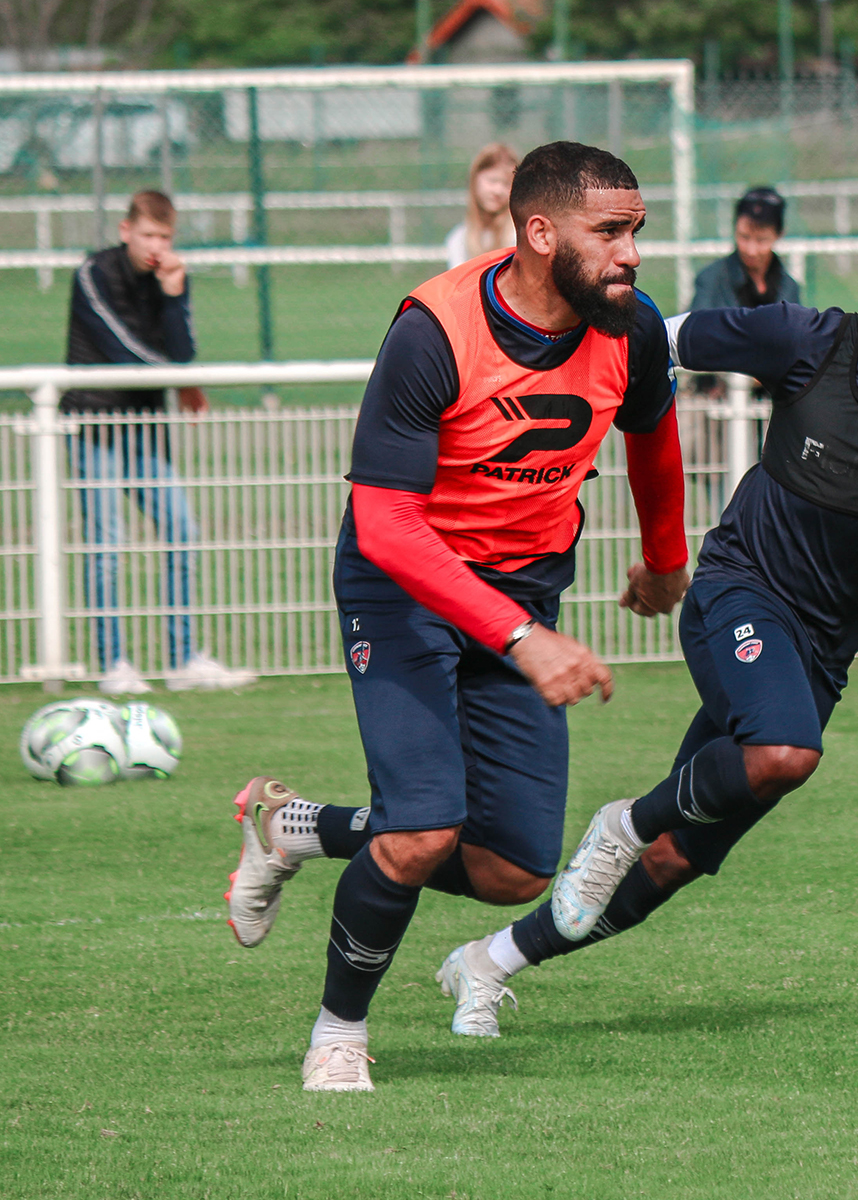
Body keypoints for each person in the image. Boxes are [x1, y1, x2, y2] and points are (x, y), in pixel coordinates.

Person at [422, 209, 858, 1035]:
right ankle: (622, 820)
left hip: (821, 658)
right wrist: (560, 356)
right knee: (784, 752)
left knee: (677, 861)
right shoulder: (809, 341)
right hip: (740, 592)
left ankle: (489, 963)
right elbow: (666, 335)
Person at [223, 141, 690, 1093]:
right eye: (611, 232)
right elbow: (387, 522)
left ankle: (296, 830)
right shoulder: (433, 331)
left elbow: (653, 435)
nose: (632, 253)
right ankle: (337, 1035)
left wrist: (666, 560)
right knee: (426, 827)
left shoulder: (631, 327)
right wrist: (524, 640)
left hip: (521, 595)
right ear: (539, 232)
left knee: (514, 869)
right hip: (401, 588)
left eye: (636, 231)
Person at [64, 189, 255, 695]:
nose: (156, 246)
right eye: (148, 234)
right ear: (126, 230)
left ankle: (183, 660)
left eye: (165, 237)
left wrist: (174, 295)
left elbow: (184, 349)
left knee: (181, 531)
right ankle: (114, 666)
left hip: (146, 428)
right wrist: (182, 379)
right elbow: (120, 349)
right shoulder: (93, 273)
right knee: (105, 544)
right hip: (96, 425)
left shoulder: (170, 275)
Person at [689, 186, 802, 311]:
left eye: (761, 240)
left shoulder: (789, 287)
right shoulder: (710, 280)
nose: (751, 251)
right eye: (744, 237)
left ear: (779, 234)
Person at [444, 143, 518, 270]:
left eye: (506, 184)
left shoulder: (519, 237)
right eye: (492, 180)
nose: (498, 190)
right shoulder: (459, 239)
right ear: (475, 180)